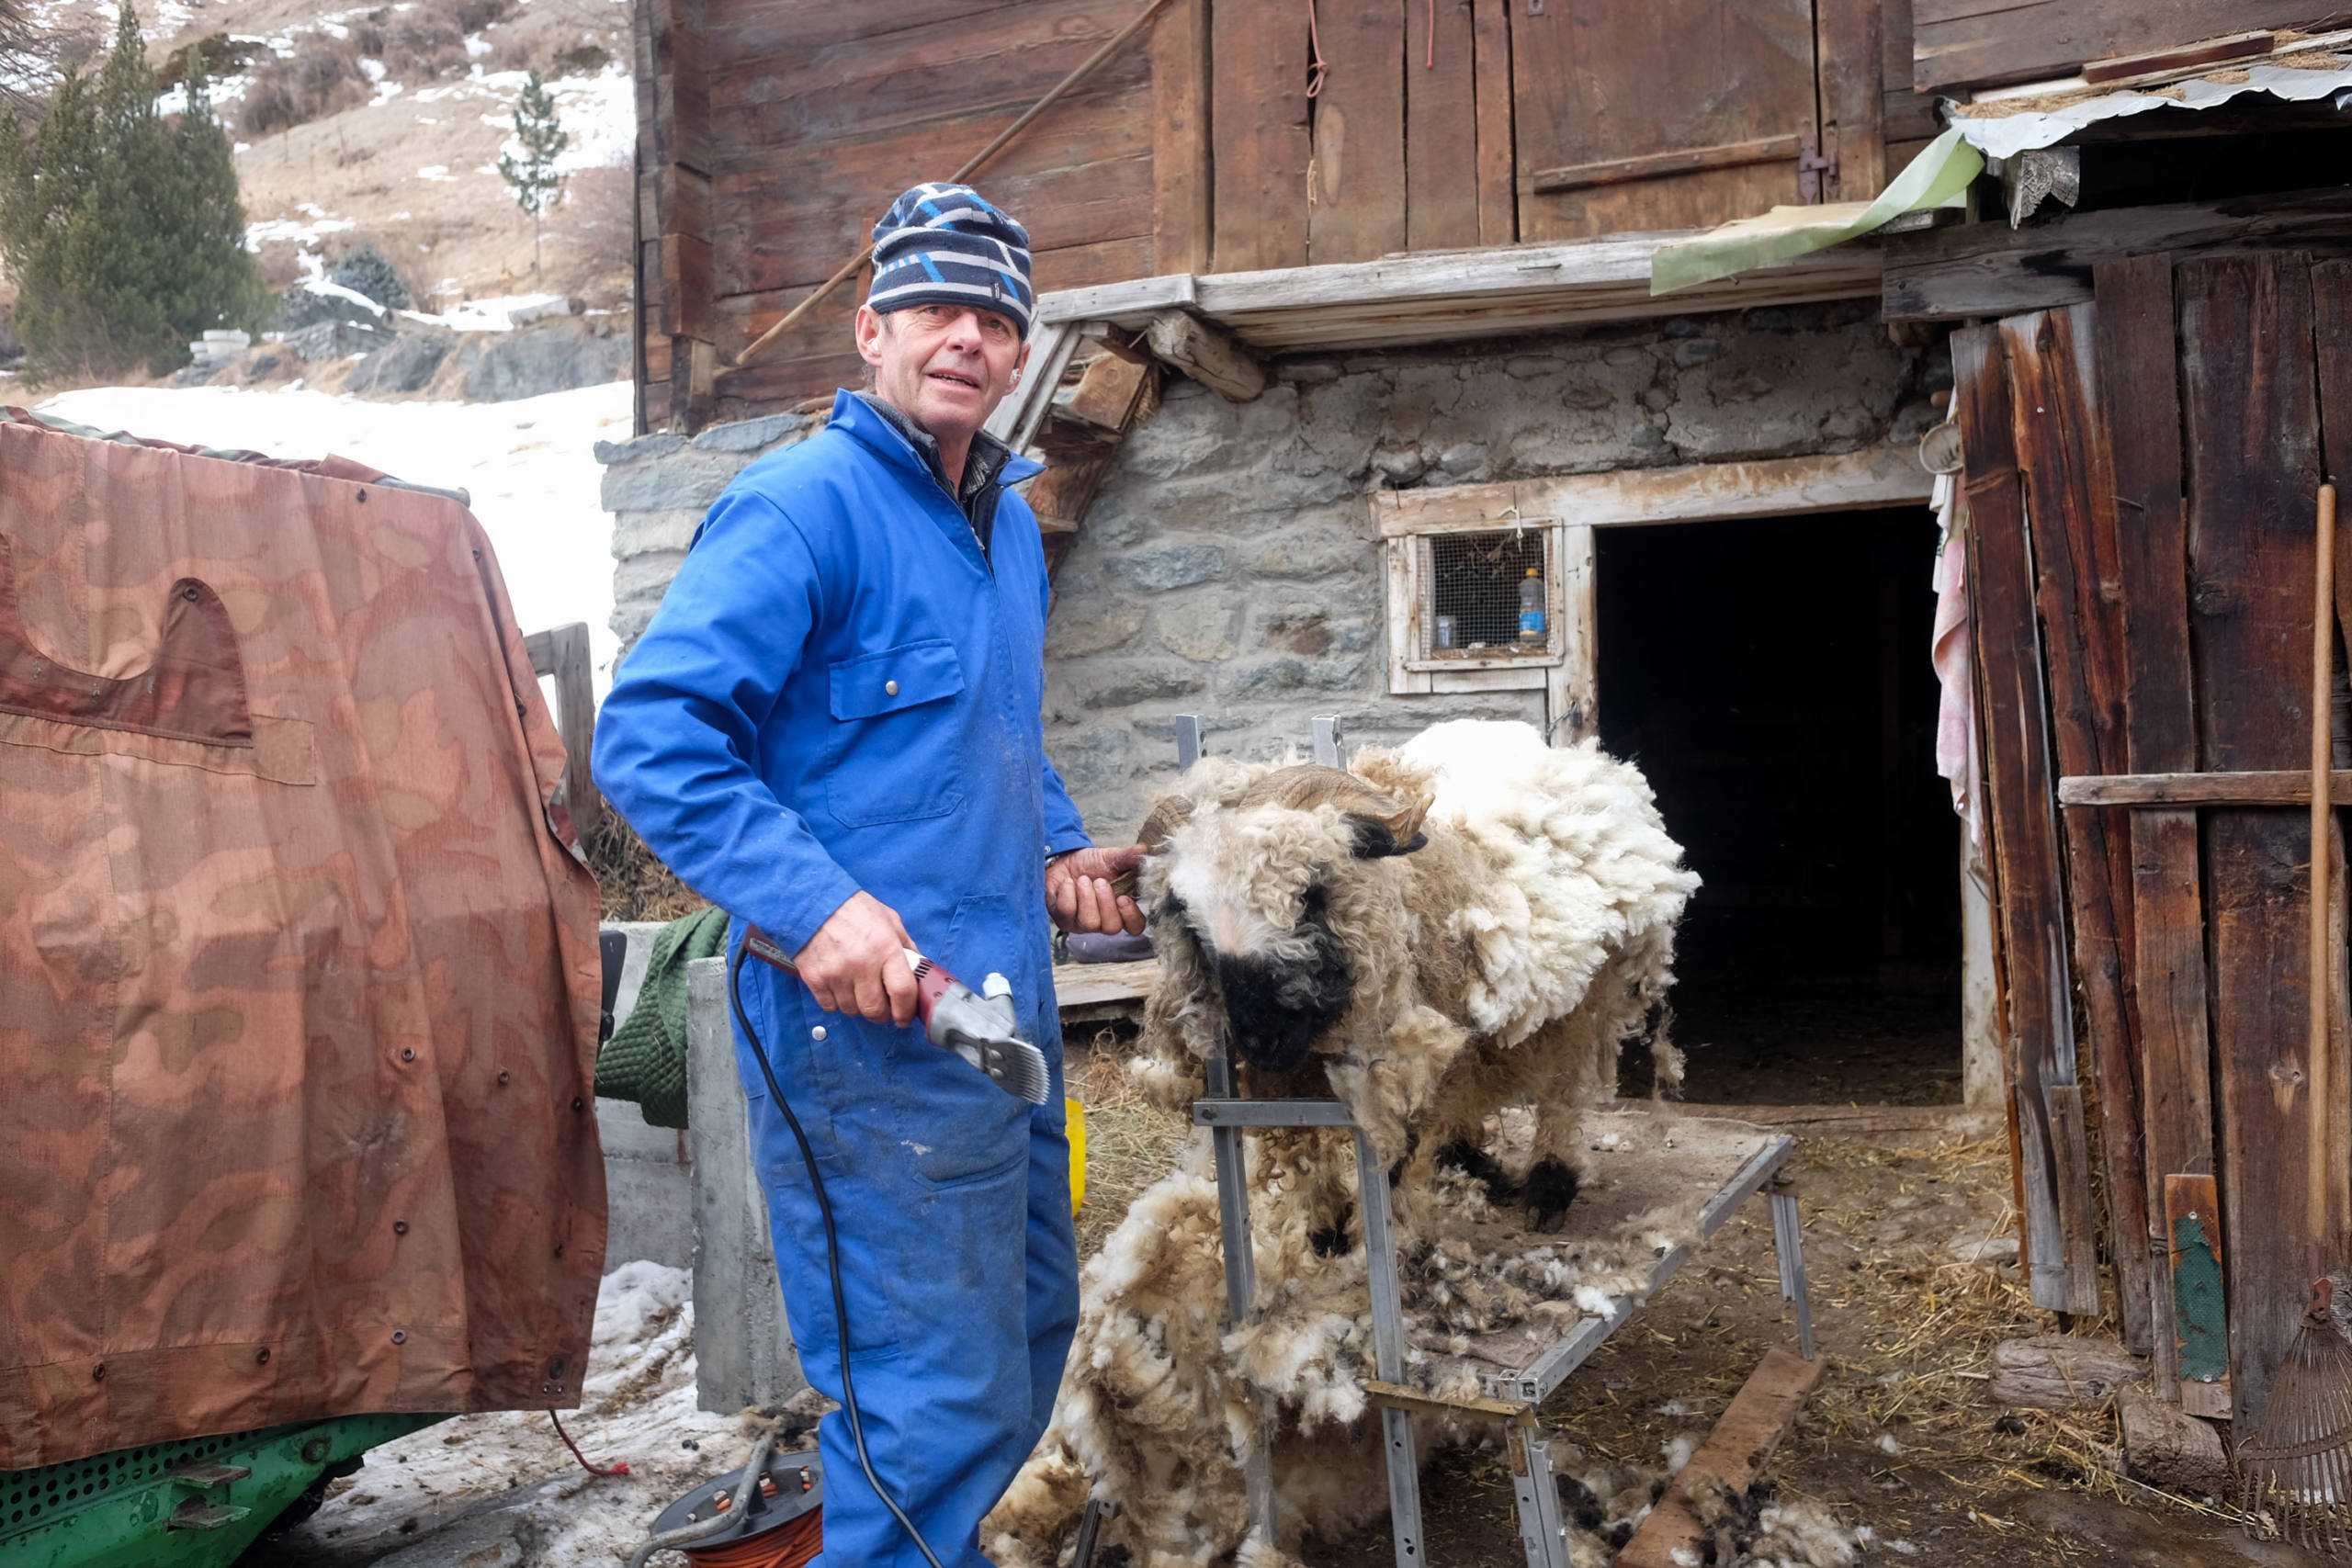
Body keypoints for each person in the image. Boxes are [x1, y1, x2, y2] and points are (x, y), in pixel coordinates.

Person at [593, 182, 1143, 1565]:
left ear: (1020, 353)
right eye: (937, 309)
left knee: (1023, 1339)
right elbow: (653, 740)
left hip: (999, 1023)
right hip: (864, 1045)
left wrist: (1062, 844)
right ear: (873, 330)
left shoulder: (1003, 520)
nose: (966, 336)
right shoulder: (800, 507)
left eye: (995, 318)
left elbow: (993, 727)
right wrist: (818, 907)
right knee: (926, 1404)